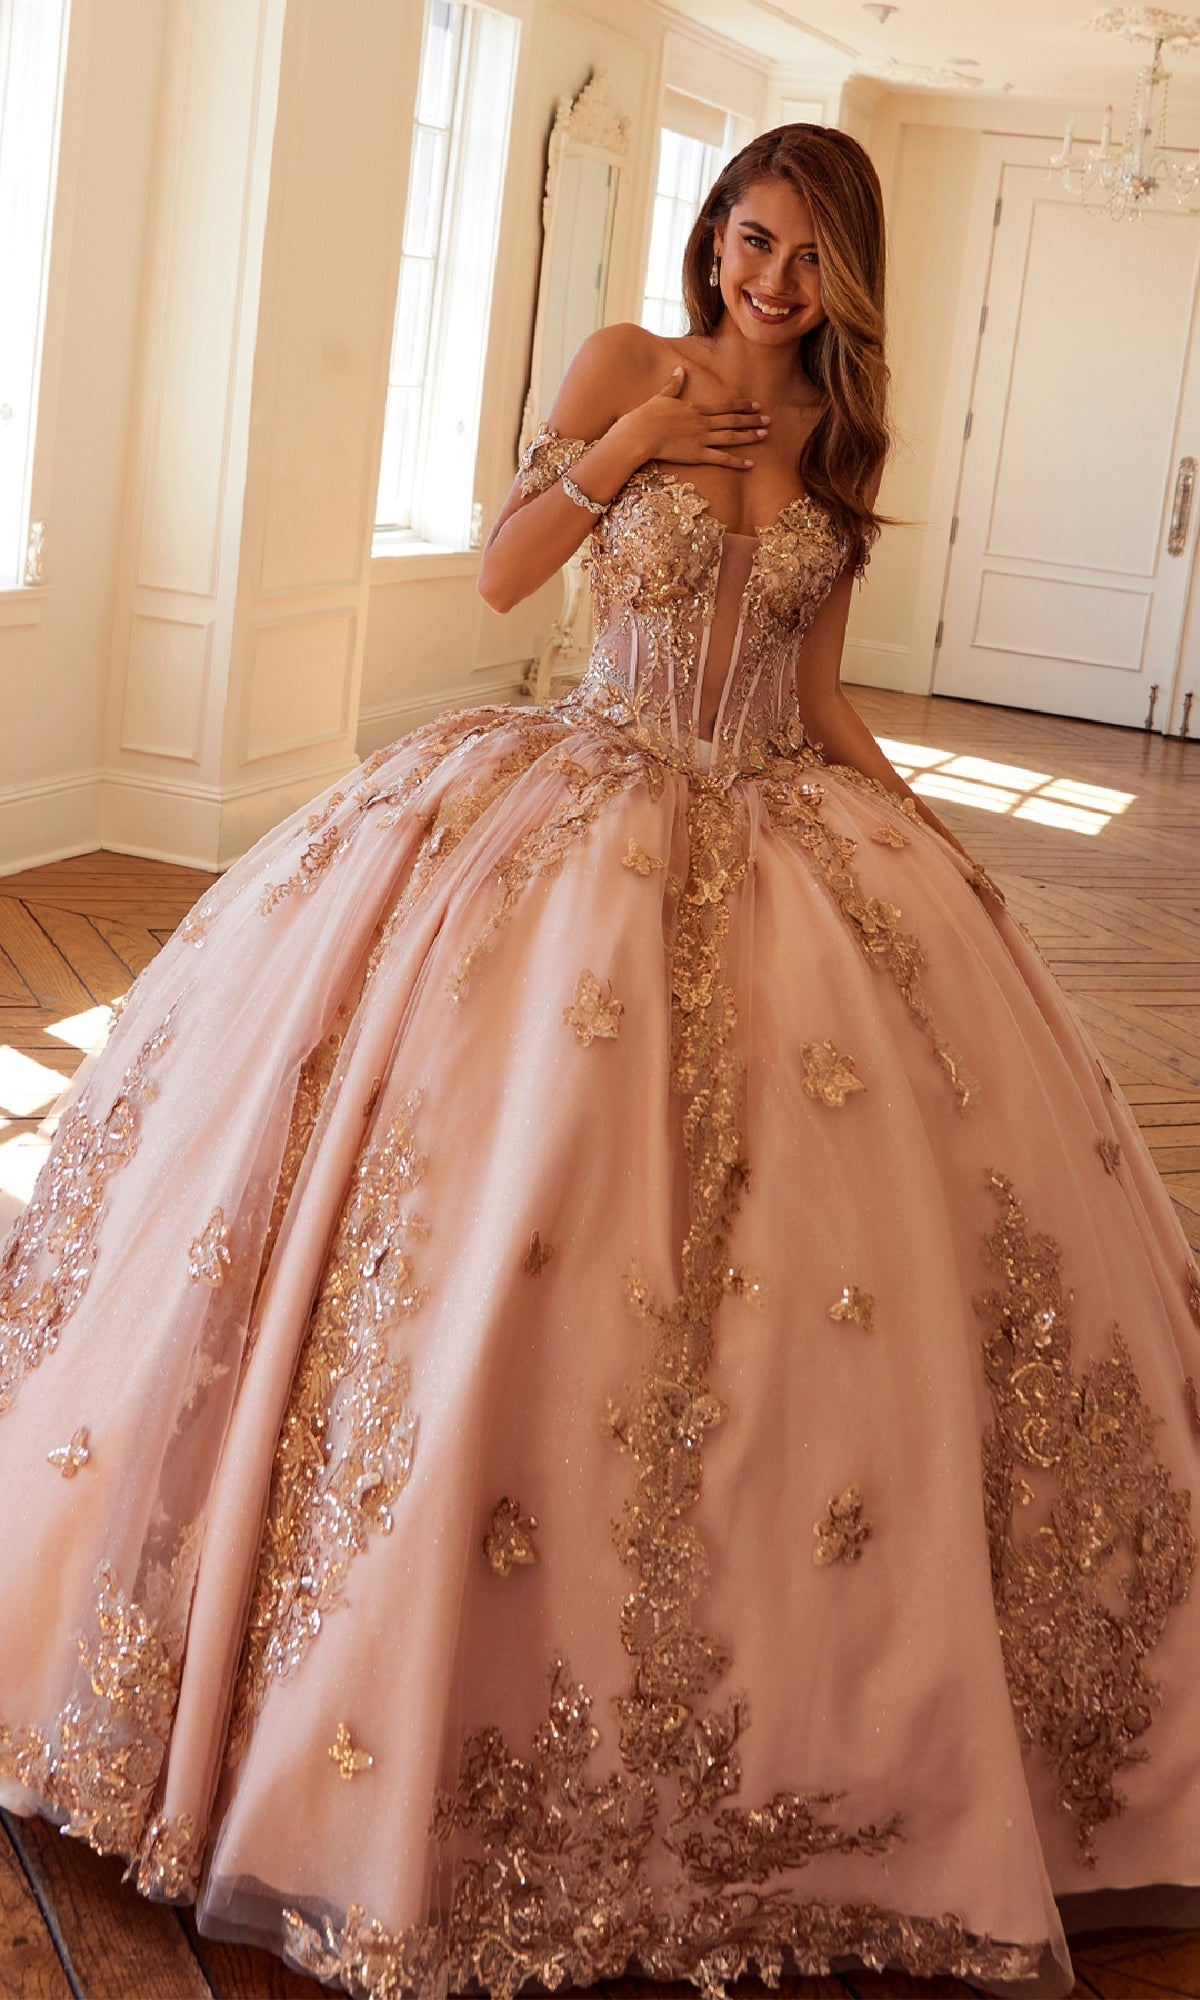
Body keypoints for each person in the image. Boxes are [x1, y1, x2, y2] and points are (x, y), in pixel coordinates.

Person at [1, 123, 1198, 2000]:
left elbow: (813, 696)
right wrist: (636, 440)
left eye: (810, 258)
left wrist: (928, 831)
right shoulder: (629, 363)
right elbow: (504, 578)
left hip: (778, 824)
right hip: (571, 809)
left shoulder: (840, 442)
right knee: (503, 1211)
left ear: (850, 280)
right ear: (714, 234)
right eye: (753, 240)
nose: (771, 282)